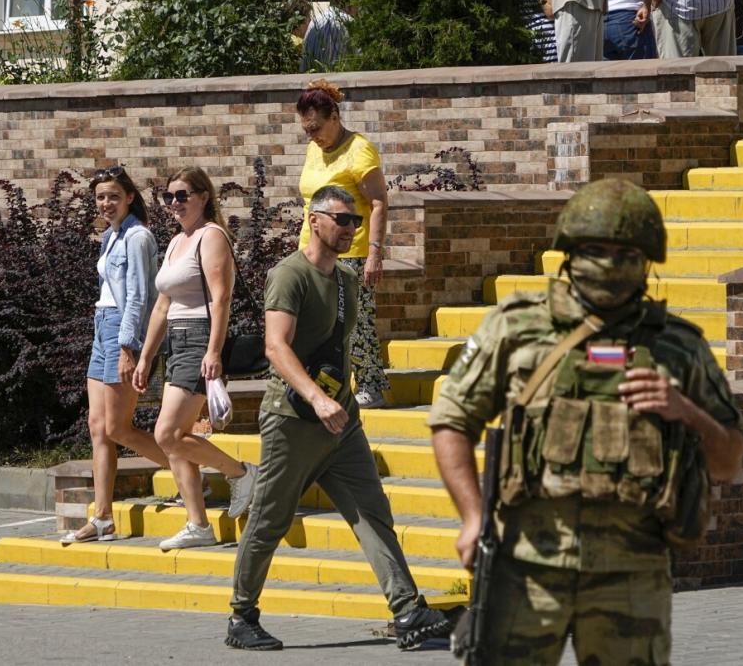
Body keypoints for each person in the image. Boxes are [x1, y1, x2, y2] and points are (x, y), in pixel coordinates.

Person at [428, 178, 743, 664]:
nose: (610, 264)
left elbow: (728, 461)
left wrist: (685, 410)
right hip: (526, 568)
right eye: (595, 249)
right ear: (569, 252)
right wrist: (472, 518)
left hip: (632, 575)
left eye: (625, 252)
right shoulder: (518, 327)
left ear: (646, 260)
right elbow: (452, 418)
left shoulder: (678, 346)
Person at [224, 185, 456, 652]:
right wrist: (316, 398)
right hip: (292, 420)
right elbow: (275, 347)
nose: (352, 228)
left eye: (355, 222)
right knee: (270, 519)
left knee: (373, 512)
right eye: (343, 220)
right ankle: (241, 616)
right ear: (314, 220)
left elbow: (341, 350)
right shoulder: (289, 275)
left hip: (342, 423)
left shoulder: (347, 281)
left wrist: (340, 403)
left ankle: (408, 611)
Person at [133, 167, 259, 550]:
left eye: (182, 195)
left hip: (201, 338)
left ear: (204, 197)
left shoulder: (212, 236)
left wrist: (214, 351)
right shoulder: (175, 243)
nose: (175, 203)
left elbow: (222, 298)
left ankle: (241, 474)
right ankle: (198, 524)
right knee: (174, 439)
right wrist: (145, 358)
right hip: (176, 341)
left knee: (167, 434)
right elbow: (161, 306)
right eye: (169, 197)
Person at [63, 165, 171, 544]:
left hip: (122, 332)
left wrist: (129, 347)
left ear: (129, 197)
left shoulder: (138, 237)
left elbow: (141, 297)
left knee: (117, 427)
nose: (105, 203)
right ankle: (103, 518)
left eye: (112, 196)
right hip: (102, 326)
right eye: (100, 197)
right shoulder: (110, 236)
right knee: (98, 427)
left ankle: (189, 472)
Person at [295, 80, 390, 408]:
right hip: (311, 250)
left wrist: (375, 253)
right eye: (307, 130)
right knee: (314, 323)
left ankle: (371, 384)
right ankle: (325, 382)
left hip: (350, 251)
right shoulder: (314, 149)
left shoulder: (359, 150)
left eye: (317, 128)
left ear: (334, 116)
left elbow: (378, 201)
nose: (313, 136)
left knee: (355, 320)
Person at [300, 0, 353, 72]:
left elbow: (304, 60)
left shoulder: (314, 21)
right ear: (349, 5)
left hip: (312, 80)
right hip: (340, 80)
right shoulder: (348, 22)